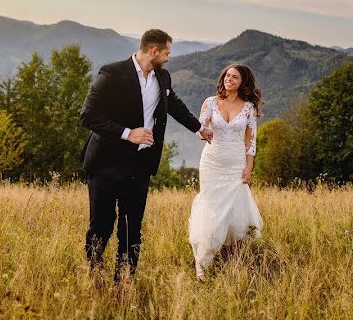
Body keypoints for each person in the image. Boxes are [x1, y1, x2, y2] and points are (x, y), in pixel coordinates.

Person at [80, 28, 213, 282]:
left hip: (140, 166)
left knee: (132, 230)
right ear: (153, 51)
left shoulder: (162, 77)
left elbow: (174, 104)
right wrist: (127, 133)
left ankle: (124, 282)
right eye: (166, 53)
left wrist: (199, 128)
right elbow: (88, 115)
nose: (168, 58)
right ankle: (94, 276)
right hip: (105, 164)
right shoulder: (112, 73)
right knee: (102, 226)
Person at [188, 63, 264, 281]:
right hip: (212, 162)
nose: (229, 79)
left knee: (235, 208)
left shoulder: (249, 108)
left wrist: (249, 167)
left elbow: (251, 141)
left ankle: (235, 258)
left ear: (243, 83)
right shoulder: (210, 102)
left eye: (235, 77)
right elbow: (200, 127)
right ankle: (202, 261)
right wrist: (202, 133)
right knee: (212, 206)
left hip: (236, 163)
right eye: (227, 75)